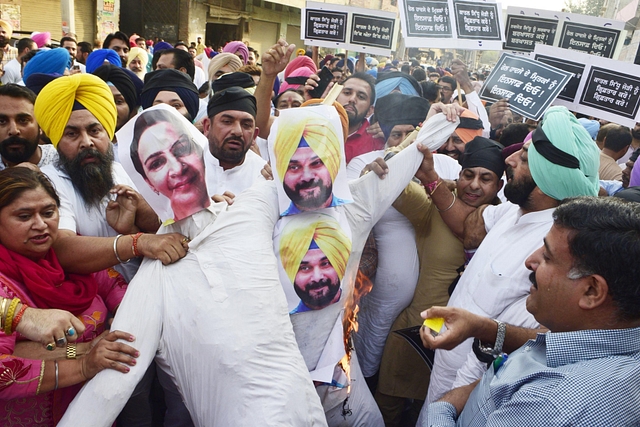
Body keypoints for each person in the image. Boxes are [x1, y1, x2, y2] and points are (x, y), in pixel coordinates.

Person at [419, 106, 600, 415]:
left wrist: (482, 335)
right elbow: (466, 226)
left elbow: (549, 341)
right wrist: (431, 178)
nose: (509, 159)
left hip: (478, 391)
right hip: (444, 363)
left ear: (550, 174)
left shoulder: (559, 245)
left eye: (526, 159)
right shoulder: (512, 211)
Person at [425, 197, 640, 427]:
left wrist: (443, 406)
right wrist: (481, 329)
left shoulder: (554, 405)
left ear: (591, 291)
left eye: (547, 257)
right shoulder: (589, 334)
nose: (530, 261)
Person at [374, 136, 504, 426]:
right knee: (389, 407)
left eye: (486, 178)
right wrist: (389, 162)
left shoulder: (506, 223)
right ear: (459, 175)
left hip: (471, 345)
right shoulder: (435, 205)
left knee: (437, 412)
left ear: (499, 186)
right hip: (420, 329)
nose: (474, 185)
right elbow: (389, 185)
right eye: (468, 175)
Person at [0, 167, 138, 425]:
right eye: (24, 216)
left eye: (49, 212)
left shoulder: (63, 256)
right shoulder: (3, 284)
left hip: (92, 405)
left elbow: (111, 283)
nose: (41, 225)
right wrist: (84, 362)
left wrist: (123, 320)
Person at [130, 108, 210, 221]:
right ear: (149, 183)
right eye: (157, 163)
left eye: (181, 148)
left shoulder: (232, 206)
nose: (177, 169)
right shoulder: (160, 235)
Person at [273, 107, 345, 214]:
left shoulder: (354, 210)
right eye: (294, 167)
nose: (307, 177)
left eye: (316, 163)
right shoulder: (271, 216)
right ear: (280, 169)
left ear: (334, 163)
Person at [279, 213, 351, 314]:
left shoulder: (353, 311)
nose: (317, 278)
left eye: (325, 264)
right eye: (305, 268)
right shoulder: (283, 322)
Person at [202, 86, 267, 195]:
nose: (237, 132)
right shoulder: (182, 169)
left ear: (255, 135)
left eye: (246, 125)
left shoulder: (264, 177)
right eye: (227, 121)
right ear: (207, 127)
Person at [0, 84, 58, 171]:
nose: (14, 130)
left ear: (40, 125)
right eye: (2, 121)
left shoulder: (63, 162)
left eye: (23, 120)